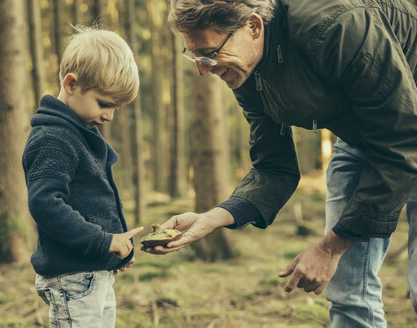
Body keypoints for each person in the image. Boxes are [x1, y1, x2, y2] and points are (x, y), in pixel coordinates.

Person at [143, 0, 417, 326]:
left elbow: (401, 139)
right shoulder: (243, 68)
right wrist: (211, 219)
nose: (203, 69)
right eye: (194, 55)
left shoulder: (336, 24)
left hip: (403, 129)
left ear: (254, 27)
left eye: (209, 53)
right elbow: (273, 167)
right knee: (346, 290)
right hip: (361, 136)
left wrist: (329, 248)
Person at [22, 25, 143, 328]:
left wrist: (113, 252)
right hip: (72, 278)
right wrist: (103, 242)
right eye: (104, 104)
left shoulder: (78, 134)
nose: (109, 116)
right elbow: (46, 205)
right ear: (72, 83)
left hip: (90, 272)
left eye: (115, 107)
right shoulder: (53, 139)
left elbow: (91, 202)